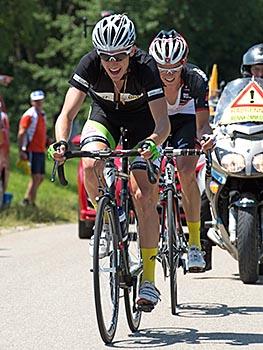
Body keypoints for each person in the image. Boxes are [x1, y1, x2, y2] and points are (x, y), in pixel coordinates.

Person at [48, 14, 170, 311]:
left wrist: (152, 145)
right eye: (106, 56)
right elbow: (67, 115)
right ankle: (106, 222)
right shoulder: (89, 64)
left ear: (131, 51)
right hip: (104, 118)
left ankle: (149, 282)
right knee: (89, 163)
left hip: (143, 125)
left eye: (118, 56)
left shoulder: (146, 67)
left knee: (144, 195)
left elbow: (163, 123)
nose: (112, 63)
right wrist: (62, 142)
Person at [149, 30, 214, 272]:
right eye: (161, 68)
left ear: (183, 63)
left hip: (185, 122)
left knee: (186, 172)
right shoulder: (145, 77)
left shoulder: (196, 79)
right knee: (146, 178)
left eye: (173, 69)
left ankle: (195, 243)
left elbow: (202, 123)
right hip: (155, 122)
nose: (167, 75)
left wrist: (205, 139)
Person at [17, 90, 47, 206]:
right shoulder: (29, 115)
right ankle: (31, 202)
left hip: (40, 150)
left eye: (40, 100)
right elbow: (21, 132)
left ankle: (27, 199)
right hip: (31, 149)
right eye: (36, 101)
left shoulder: (42, 114)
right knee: (36, 177)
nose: (39, 103)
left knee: (40, 178)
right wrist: (21, 150)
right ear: (32, 102)